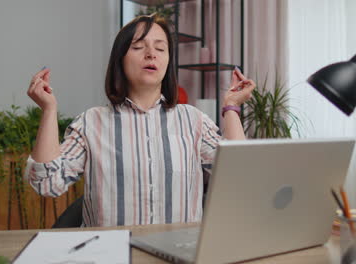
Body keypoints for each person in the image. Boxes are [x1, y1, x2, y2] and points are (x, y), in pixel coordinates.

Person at [25, 14, 255, 227]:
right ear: (120, 60)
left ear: (167, 62)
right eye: (138, 47)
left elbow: (238, 176)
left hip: (178, 254)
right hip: (111, 254)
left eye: (160, 48)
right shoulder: (91, 122)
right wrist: (48, 109)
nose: (151, 54)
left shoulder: (193, 120)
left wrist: (232, 106)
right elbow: (47, 183)